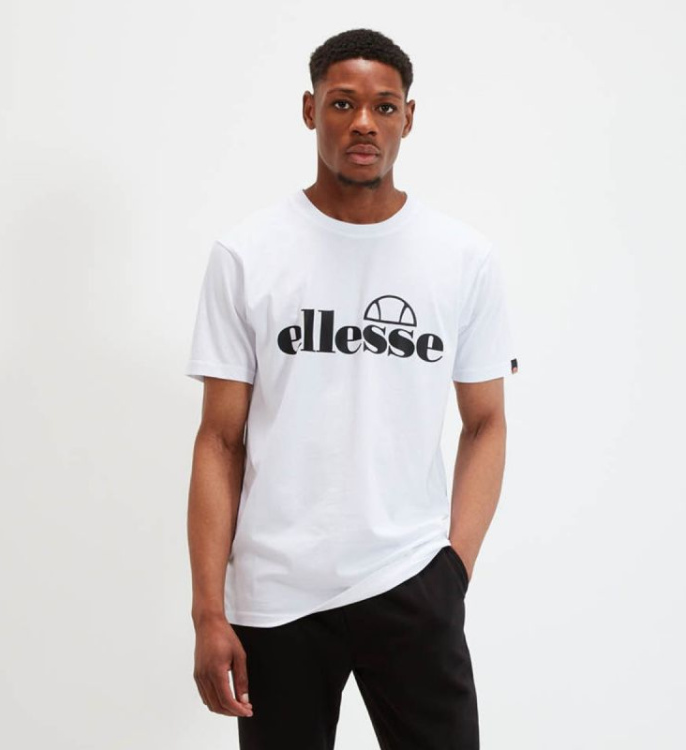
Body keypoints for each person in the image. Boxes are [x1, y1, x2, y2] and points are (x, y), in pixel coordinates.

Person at [184, 27, 519, 750]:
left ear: (408, 117)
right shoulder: (247, 254)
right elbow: (219, 439)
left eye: (383, 106)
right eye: (342, 103)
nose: (363, 122)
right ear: (310, 110)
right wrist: (208, 610)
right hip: (277, 596)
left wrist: (453, 569)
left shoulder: (462, 259)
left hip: (411, 579)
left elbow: (486, 421)